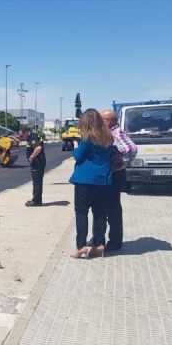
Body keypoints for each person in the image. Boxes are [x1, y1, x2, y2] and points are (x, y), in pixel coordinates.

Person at [69, 109, 114, 258]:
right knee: (100, 213)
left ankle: (81, 246)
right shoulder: (108, 137)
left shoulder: (88, 137)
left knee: (81, 212)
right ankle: (99, 245)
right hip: (103, 181)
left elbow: (78, 157)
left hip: (85, 180)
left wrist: (75, 145)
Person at [101, 109, 138, 251]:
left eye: (102, 119)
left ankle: (115, 242)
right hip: (111, 175)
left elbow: (132, 148)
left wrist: (119, 164)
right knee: (105, 208)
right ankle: (102, 238)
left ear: (109, 121)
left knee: (112, 210)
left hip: (114, 176)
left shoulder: (116, 132)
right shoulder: (111, 132)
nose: (100, 122)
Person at [19, 126, 45, 206]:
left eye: (22, 135)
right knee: (37, 181)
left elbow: (38, 148)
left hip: (37, 162)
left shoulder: (32, 137)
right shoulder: (32, 137)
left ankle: (36, 201)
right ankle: (37, 199)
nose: (22, 138)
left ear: (26, 132)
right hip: (37, 162)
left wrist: (31, 156)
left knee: (37, 182)